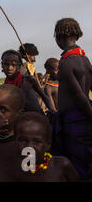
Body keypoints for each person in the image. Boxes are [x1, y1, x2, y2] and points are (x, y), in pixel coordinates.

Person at [52, 18, 92, 180]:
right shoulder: (85, 59)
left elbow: (80, 97)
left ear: (59, 38)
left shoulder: (67, 62)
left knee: (76, 165)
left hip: (75, 120)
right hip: (83, 116)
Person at [14, 112, 79, 182]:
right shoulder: (13, 171)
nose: (29, 147)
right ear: (15, 142)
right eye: (23, 140)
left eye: (36, 141)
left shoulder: (61, 165)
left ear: (48, 145)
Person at [1, 50, 56, 115]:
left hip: (37, 118)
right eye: (6, 64)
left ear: (19, 66)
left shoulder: (29, 80)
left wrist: (52, 110)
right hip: (20, 120)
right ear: (2, 65)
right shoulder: (5, 87)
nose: (10, 68)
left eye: (13, 65)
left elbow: (44, 97)